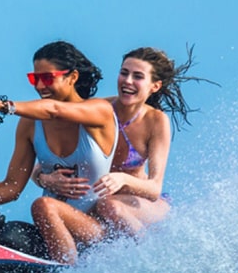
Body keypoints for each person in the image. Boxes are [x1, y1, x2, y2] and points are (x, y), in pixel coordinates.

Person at [0, 40, 118, 264]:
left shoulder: (99, 111)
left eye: (47, 78)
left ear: (72, 77)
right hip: (53, 235)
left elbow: (55, 110)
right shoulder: (29, 123)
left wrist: (3, 106)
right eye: (34, 78)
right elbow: (10, 188)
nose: (39, 86)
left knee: (43, 205)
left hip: (97, 233)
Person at [33, 46, 205, 239]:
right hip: (95, 206)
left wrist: (122, 179)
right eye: (124, 73)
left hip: (140, 205)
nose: (128, 81)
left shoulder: (156, 121)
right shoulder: (97, 110)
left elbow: (154, 188)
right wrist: (45, 179)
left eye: (138, 76)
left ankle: (148, 258)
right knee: (98, 205)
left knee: (109, 206)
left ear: (154, 86)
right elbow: (43, 165)